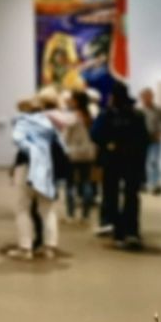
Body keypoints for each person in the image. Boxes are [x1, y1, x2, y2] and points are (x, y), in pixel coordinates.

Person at [8, 94, 68, 260]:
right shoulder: (52, 126)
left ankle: (25, 248)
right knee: (47, 210)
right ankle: (49, 247)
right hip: (47, 170)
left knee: (22, 208)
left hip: (27, 168)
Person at [91, 82, 148, 249]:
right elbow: (144, 140)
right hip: (133, 161)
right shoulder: (137, 115)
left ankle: (119, 232)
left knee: (111, 197)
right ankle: (132, 231)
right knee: (132, 196)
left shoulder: (106, 114)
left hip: (112, 161)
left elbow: (95, 134)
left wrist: (109, 143)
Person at [62, 90, 97, 224]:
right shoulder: (91, 115)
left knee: (70, 184)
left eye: (72, 99)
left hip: (73, 152)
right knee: (86, 182)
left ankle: (71, 214)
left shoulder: (72, 116)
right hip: (88, 153)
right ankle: (85, 215)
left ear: (76, 101)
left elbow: (65, 136)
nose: (70, 101)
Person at [138, 87, 161, 194]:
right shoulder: (139, 110)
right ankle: (143, 183)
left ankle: (155, 184)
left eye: (149, 96)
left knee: (153, 161)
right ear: (142, 98)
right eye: (145, 97)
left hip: (155, 139)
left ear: (152, 97)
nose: (147, 99)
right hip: (142, 140)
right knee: (141, 161)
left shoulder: (159, 109)